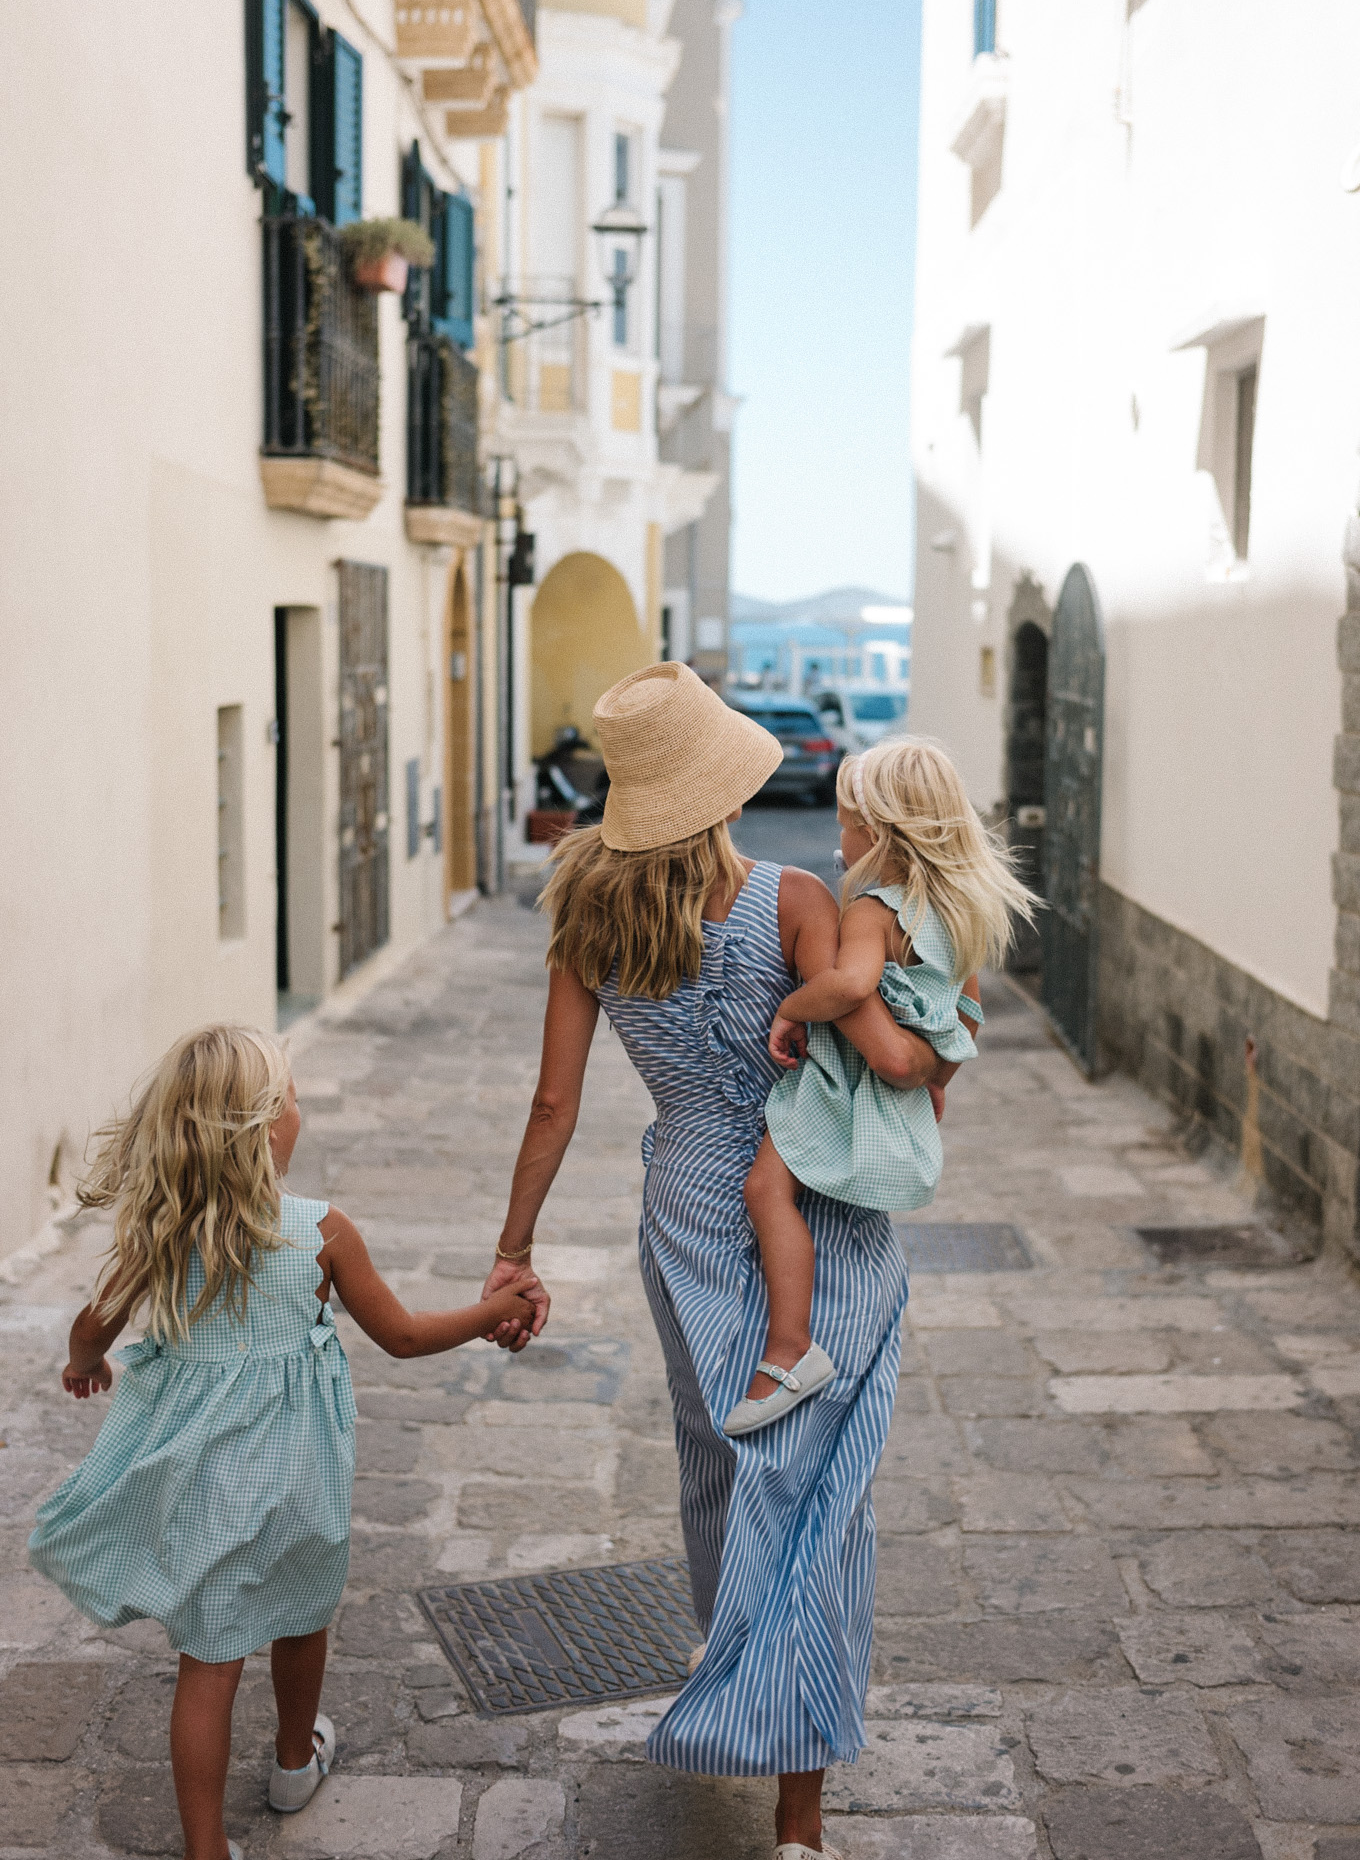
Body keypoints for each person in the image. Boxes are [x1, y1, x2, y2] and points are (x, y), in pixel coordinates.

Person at [482, 662, 972, 1860]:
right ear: (722, 787)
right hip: (812, 1197)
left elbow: (554, 1104)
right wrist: (942, 1045)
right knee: (819, 1494)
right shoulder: (798, 898)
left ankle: (732, 1649)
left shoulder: (586, 919)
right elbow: (900, 1059)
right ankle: (797, 1822)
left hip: (687, 1209)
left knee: (720, 1454)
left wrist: (513, 1251)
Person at [29, 1025, 535, 1860]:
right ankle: (294, 1762)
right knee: (303, 1611)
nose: (300, 1112)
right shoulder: (320, 1231)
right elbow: (403, 1336)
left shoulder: (161, 1233)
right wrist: (493, 1313)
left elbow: (93, 1326)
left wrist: (86, 1364)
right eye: (292, 1099)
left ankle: (206, 1849)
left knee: (210, 1656)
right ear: (265, 1130)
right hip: (297, 1470)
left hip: (200, 1477)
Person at [724, 738, 1035, 1436]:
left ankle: (788, 1347)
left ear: (878, 832)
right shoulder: (959, 908)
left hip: (843, 1084)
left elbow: (850, 984)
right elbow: (970, 1010)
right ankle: (795, 1345)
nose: (839, 836)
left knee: (765, 1190)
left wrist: (791, 1007)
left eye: (844, 821)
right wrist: (942, 1078)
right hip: (899, 1089)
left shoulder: (873, 909)